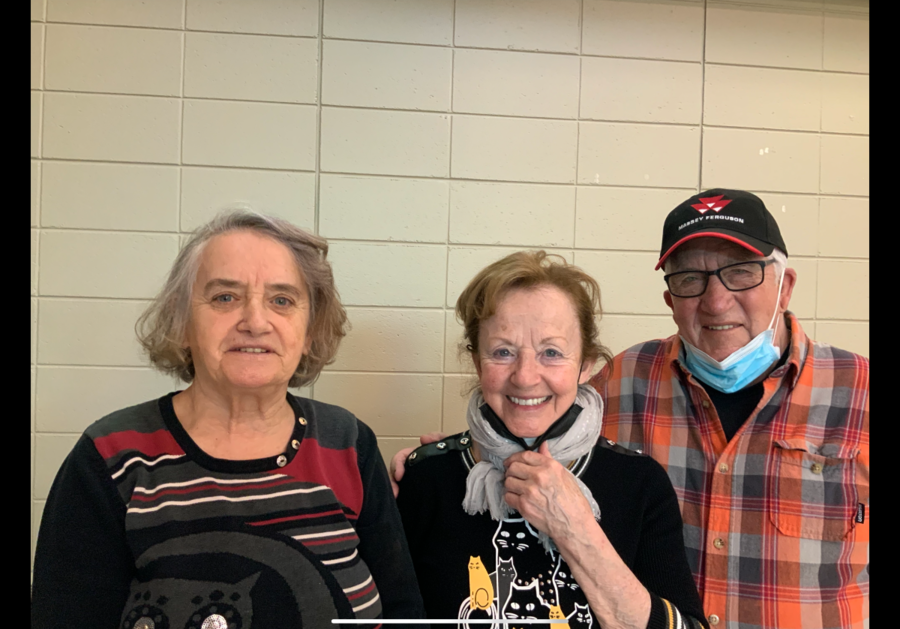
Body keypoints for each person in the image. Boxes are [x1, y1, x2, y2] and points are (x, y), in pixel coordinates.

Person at [393, 189, 869, 628]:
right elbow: (528, 406)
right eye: (690, 278)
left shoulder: (861, 392)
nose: (716, 300)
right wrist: (432, 466)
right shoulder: (621, 380)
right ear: (670, 299)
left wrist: (575, 530)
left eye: (741, 271)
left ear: (785, 286)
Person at [32, 210, 425, 628]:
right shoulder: (110, 456)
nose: (255, 322)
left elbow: (403, 611)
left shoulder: (347, 441)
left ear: (309, 331)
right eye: (225, 297)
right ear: (182, 322)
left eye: (281, 300)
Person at [396, 251, 707, 628]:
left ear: (586, 365)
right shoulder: (426, 478)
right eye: (503, 352)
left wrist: (576, 531)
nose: (525, 377)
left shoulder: (639, 484)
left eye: (551, 352)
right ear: (478, 363)